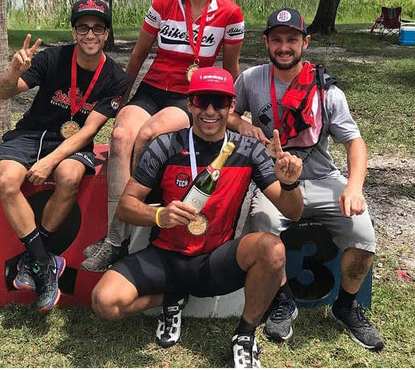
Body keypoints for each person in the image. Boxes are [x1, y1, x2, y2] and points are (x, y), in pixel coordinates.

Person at [90, 67, 303, 368]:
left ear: (232, 108)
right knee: (104, 302)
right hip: (165, 258)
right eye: (202, 101)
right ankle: (170, 298)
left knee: (272, 250)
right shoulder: (166, 145)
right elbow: (126, 205)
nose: (210, 110)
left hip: (215, 261)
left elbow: (293, 211)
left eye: (220, 102)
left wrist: (291, 183)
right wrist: (159, 215)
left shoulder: (249, 149)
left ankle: (244, 336)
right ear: (189, 104)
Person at [83, 0, 245, 272]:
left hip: (188, 96)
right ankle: (115, 242)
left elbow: (231, 69)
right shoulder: (163, 4)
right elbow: (139, 55)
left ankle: (133, 231)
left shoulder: (230, 12)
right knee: (121, 136)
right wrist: (120, 99)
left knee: (147, 135)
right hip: (152, 87)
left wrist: (234, 113)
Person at [228, 7, 385, 351]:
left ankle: (346, 307)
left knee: (362, 235)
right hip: (272, 182)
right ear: (267, 41)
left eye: (292, 40)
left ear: (305, 42)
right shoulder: (252, 79)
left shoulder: (327, 90)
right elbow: (227, 113)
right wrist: (242, 124)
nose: (284, 47)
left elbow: (355, 142)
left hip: (322, 178)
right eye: (278, 40)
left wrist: (354, 187)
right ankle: (284, 301)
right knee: (261, 223)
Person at [0, 0, 128, 312]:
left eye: (97, 27)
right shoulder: (53, 58)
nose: (90, 34)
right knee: (6, 179)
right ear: (74, 31)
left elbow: (88, 131)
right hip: (30, 133)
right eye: (83, 27)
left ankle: (35, 261)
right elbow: (1, 93)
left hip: (72, 143)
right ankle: (42, 262)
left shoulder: (116, 78)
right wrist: (14, 70)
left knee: (68, 175)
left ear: (106, 33)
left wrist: (49, 161)